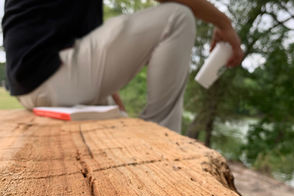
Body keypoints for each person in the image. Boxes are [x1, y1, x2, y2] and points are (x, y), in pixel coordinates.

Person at [2, 0, 243, 133]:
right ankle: (161, 138)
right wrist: (224, 23)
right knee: (178, 17)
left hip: (33, 82)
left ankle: (147, 138)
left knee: (121, 120)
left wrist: (110, 93)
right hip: (50, 72)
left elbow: (84, 42)